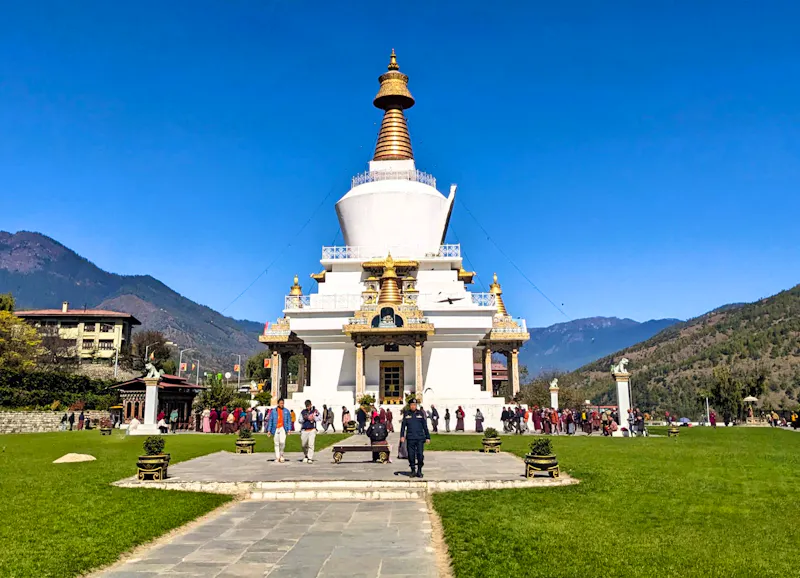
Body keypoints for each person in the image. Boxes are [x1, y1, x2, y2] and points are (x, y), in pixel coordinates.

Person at [400, 398, 430, 478]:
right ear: (409, 406)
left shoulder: (420, 413)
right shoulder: (407, 414)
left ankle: (419, 470)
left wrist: (428, 437)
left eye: (415, 405)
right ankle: (413, 470)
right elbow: (403, 426)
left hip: (420, 438)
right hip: (410, 438)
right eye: (412, 405)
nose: (413, 406)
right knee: (411, 455)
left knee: (420, 455)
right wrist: (402, 436)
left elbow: (425, 426)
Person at [266, 398, 291, 463]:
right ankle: (277, 457)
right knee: (276, 443)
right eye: (281, 403)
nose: (282, 404)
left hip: (283, 428)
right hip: (275, 428)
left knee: (282, 442)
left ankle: (281, 455)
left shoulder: (286, 411)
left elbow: (289, 421)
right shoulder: (273, 411)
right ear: (278, 404)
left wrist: (289, 429)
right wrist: (269, 430)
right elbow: (270, 421)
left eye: (283, 403)